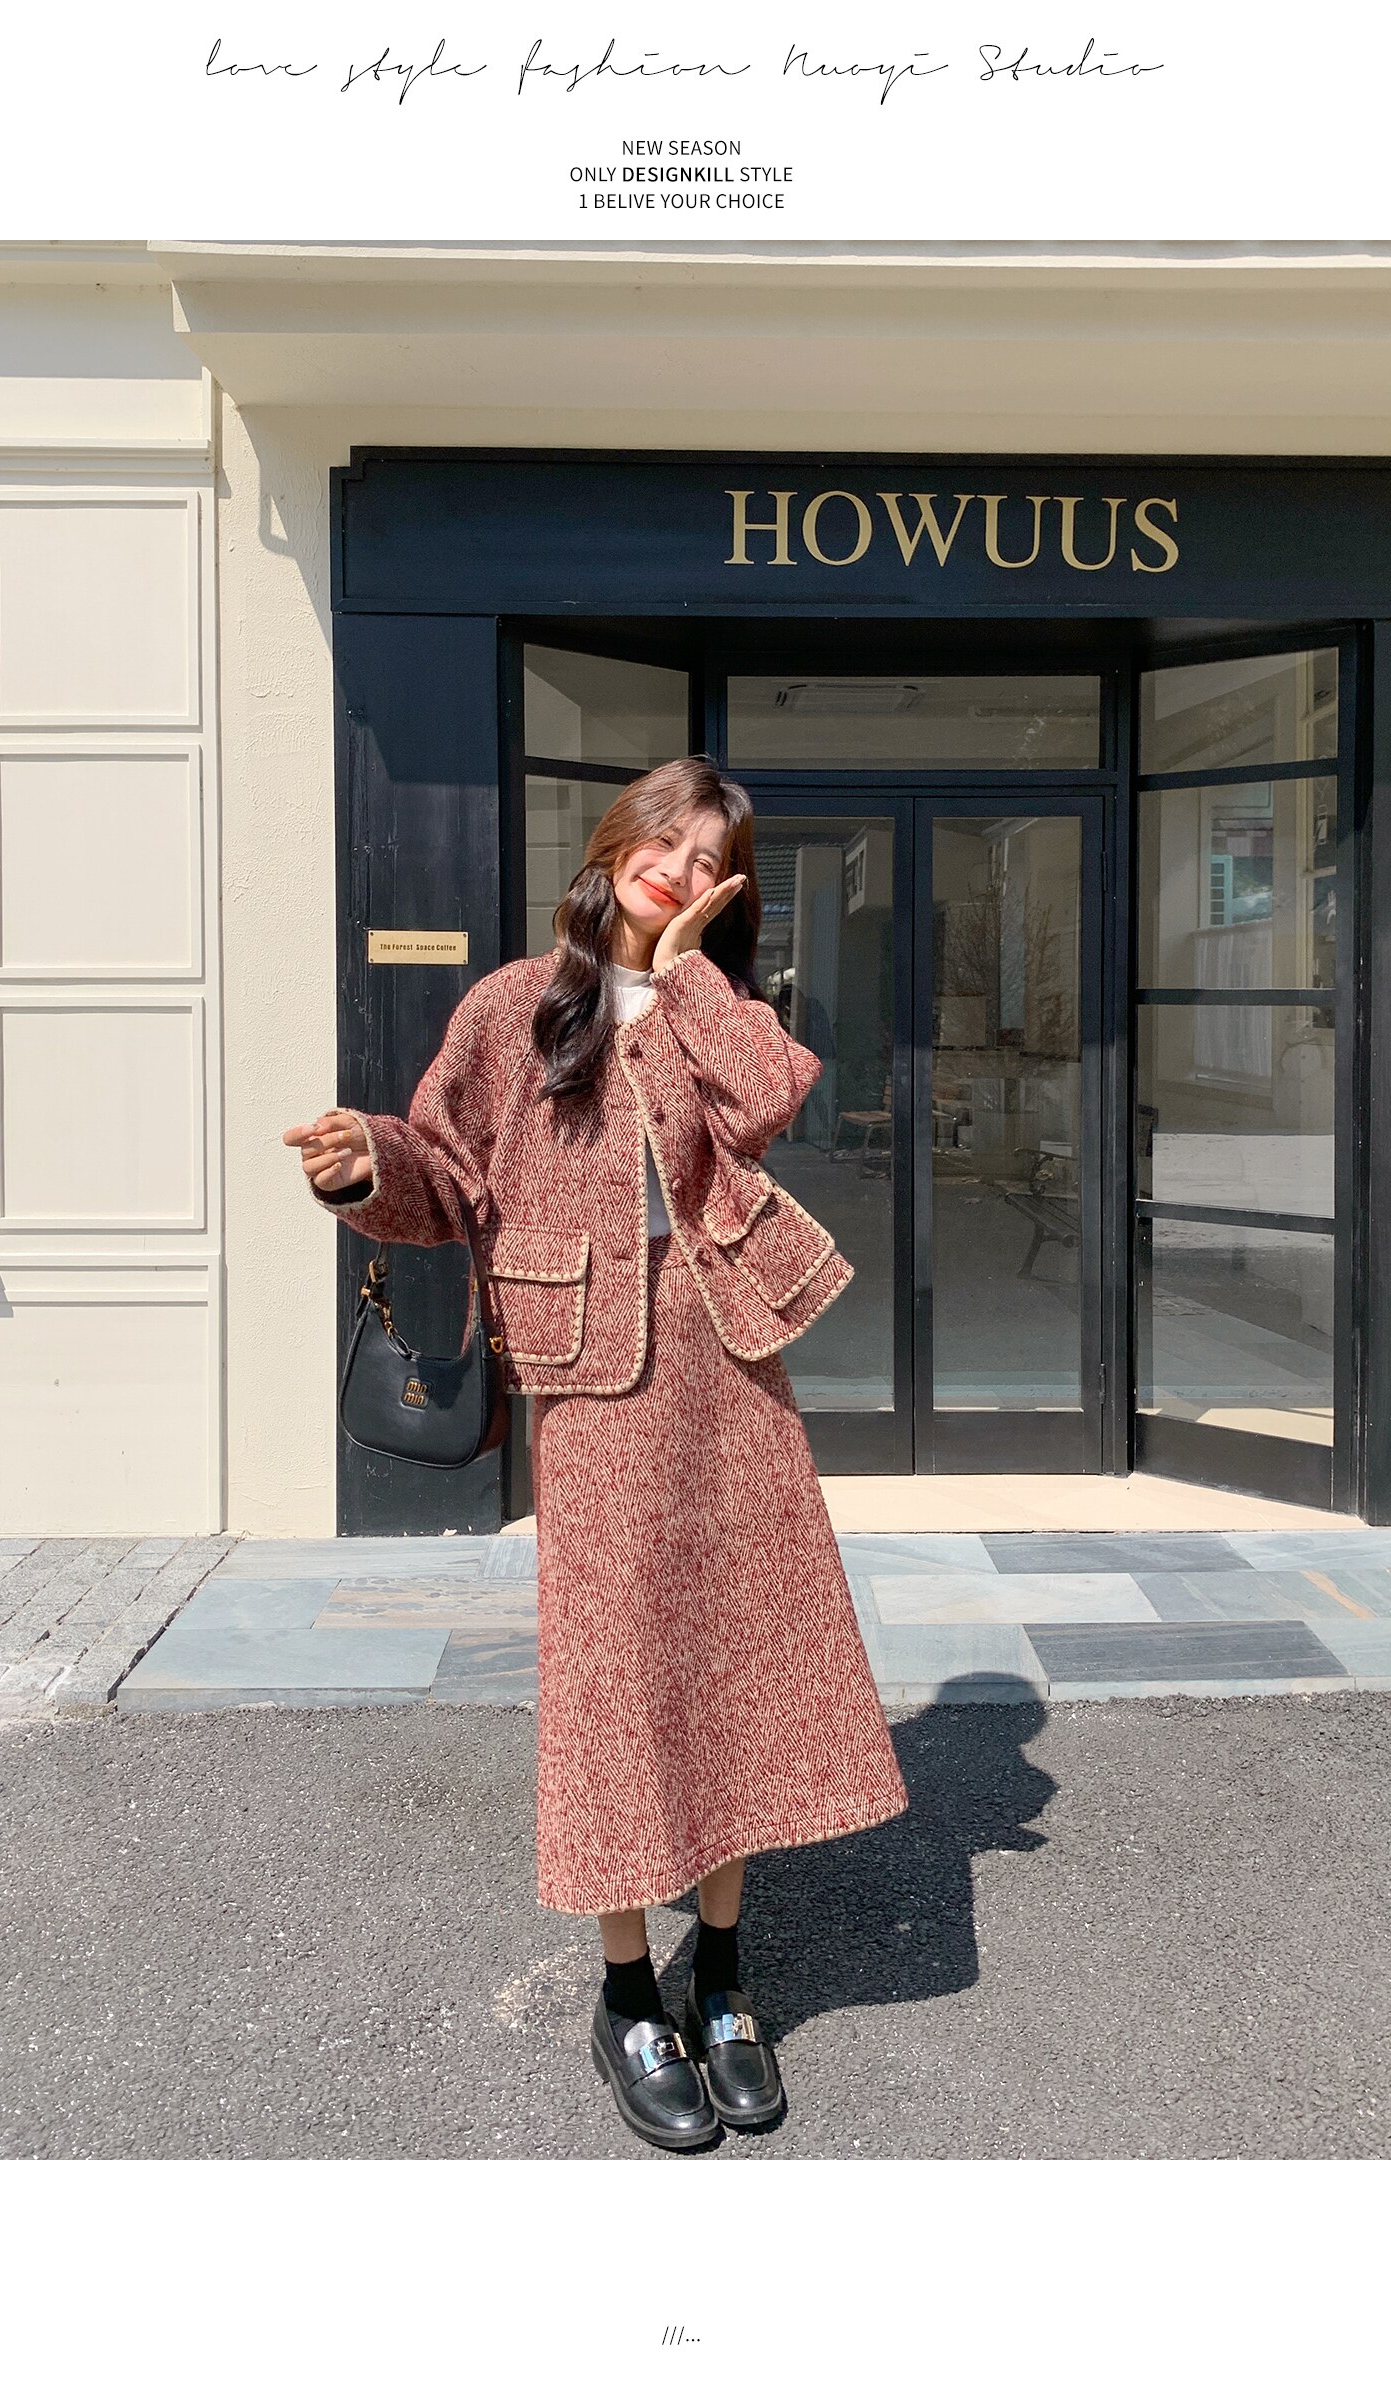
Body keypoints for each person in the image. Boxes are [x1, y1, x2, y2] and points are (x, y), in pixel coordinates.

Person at [284, 756, 909, 2151]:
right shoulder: (515, 1004)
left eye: (710, 858)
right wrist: (366, 1162)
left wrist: (689, 978)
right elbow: (447, 1168)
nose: (679, 869)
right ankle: (630, 1988)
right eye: (665, 841)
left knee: (737, 1651)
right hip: (591, 1376)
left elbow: (769, 1103)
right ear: (616, 840)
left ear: (729, 889)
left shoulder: (720, 1007)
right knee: (618, 1676)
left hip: (727, 1355)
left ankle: (725, 1974)